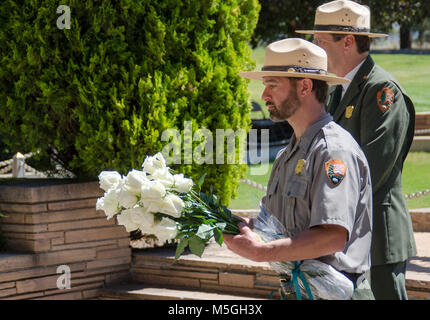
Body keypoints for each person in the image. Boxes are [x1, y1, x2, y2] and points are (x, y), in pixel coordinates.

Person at [223, 38, 374, 300]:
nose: (264, 96)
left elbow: (332, 237)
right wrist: (236, 226)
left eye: (272, 85)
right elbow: (278, 227)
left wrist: (262, 251)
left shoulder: (333, 151)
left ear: (305, 86)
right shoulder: (287, 155)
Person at [296, 0, 417, 300]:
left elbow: (371, 169)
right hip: (345, 235)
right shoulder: (337, 89)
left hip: (376, 240)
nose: (315, 47)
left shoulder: (381, 91)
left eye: (321, 41)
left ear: (348, 41)